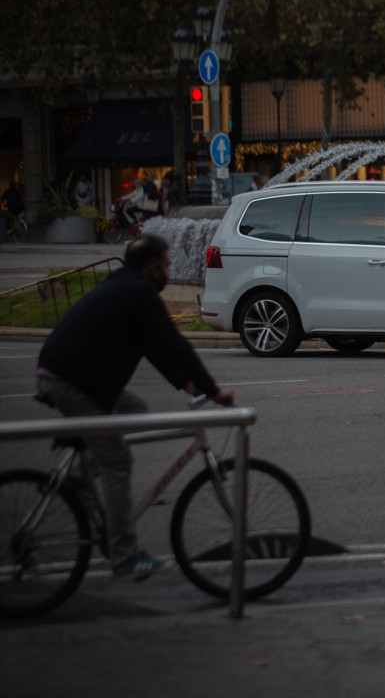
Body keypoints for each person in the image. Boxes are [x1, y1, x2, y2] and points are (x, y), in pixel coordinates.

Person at [35, 235, 235, 580]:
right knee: (118, 462)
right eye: (168, 265)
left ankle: (78, 480)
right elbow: (174, 342)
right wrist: (212, 390)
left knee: (136, 410)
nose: (170, 272)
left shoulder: (127, 286)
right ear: (152, 267)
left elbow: (154, 346)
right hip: (70, 380)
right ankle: (124, 557)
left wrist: (185, 382)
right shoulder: (138, 292)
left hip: (82, 378)